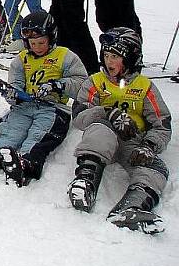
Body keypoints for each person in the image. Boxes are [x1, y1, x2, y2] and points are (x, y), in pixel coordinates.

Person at [0, 11, 88, 186]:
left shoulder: (65, 56)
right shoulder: (21, 60)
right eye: (32, 43)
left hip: (53, 109)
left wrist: (57, 85)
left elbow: (81, 83)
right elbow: (16, 84)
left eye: (41, 43)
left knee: (38, 135)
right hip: (25, 106)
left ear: (52, 38)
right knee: (10, 132)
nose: (37, 47)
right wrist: (11, 94)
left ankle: (26, 165)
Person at [69, 28, 171, 233]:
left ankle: (131, 207)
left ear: (131, 58)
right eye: (106, 55)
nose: (109, 61)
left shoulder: (145, 87)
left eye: (115, 56)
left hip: (133, 140)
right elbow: (80, 117)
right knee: (99, 132)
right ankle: (85, 181)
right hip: (105, 134)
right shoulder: (95, 82)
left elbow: (162, 123)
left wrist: (149, 145)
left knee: (156, 169)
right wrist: (108, 113)